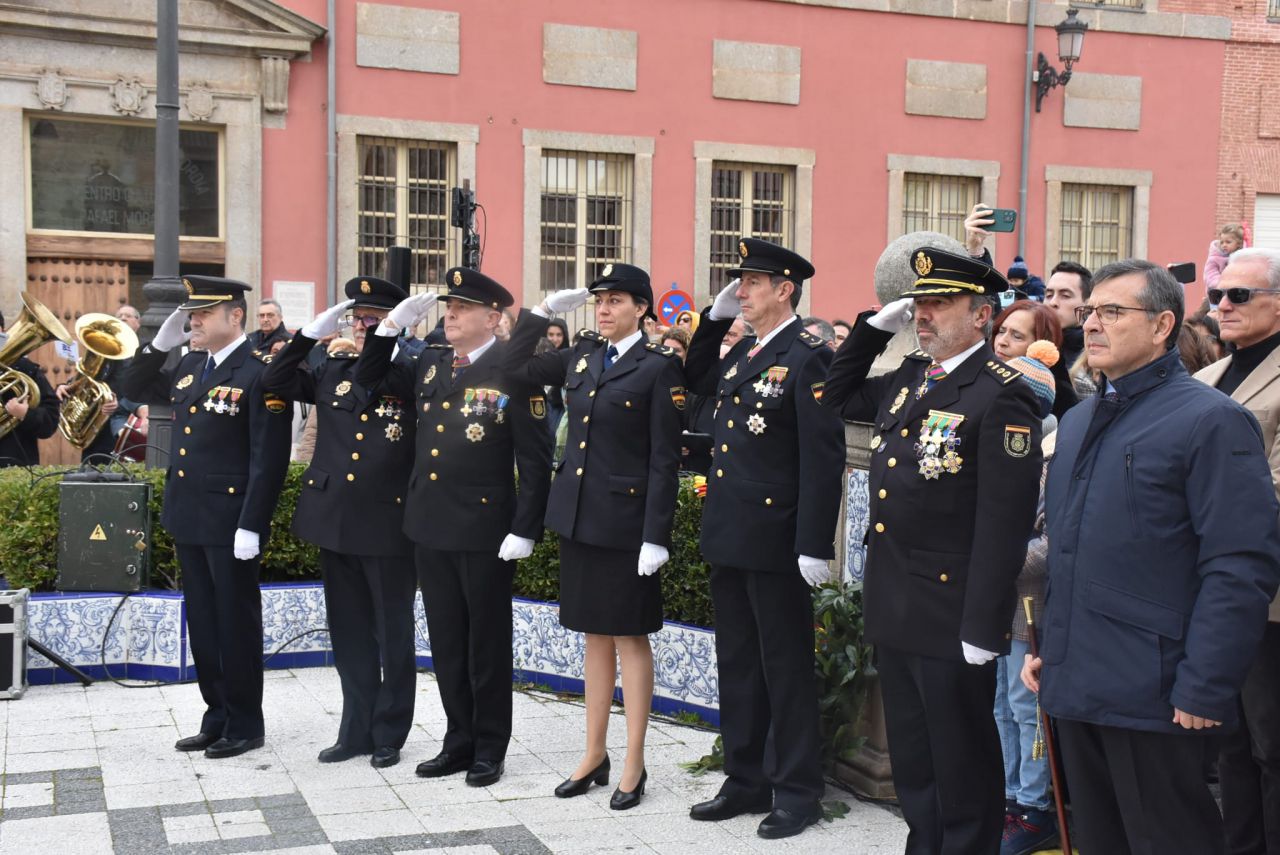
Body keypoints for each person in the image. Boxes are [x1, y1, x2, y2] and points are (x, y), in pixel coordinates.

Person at [1022, 259, 1280, 855]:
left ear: (1164, 324)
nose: (1091, 325)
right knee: (1099, 839)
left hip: (1157, 690)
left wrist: (1206, 684)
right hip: (1076, 678)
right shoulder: (1082, 417)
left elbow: (1240, 564)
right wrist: (1051, 650)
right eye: (1089, 312)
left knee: (1169, 840)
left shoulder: (1213, 421)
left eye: (1113, 312)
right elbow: (1072, 545)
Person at [823, 247, 1042, 854]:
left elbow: (1005, 522)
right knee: (916, 763)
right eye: (919, 304)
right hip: (897, 604)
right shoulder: (911, 376)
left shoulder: (1001, 394)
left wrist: (982, 623)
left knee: (961, 763)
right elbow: (833, 397)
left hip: (952, 615)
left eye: (939, 303)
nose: (923, 315)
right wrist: (871, 331)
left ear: (982, 315)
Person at [355, 267, 552, 787]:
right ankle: (457, 739)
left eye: (463, 307)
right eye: (450, 306)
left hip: (485, 529)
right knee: (445, 642)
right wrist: (388, 329)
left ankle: (489, 746)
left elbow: (535, 458)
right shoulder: (431, 364)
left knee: (485, 644)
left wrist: (525, 528)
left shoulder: (513, 371)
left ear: (493, 317)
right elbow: (368, 378)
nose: (452, 314)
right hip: (428, 523)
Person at [682, 238, 845, 840]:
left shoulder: (809, 354)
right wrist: (715, 317)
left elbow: (822, 457)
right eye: (739, 282)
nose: (742, 291)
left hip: (777, 541)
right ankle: (745, 779)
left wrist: (812, 544)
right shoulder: (748, 348)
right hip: (730, 532)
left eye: (751, 283)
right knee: (740, 665)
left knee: (785, 669)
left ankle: (798, 791)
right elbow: (696, 377)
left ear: (785, 289)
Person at [510, 264, 684, 810]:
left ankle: (633, 760)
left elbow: (664, 458)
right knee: (592, 637)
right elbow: (515, 369)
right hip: (581, 518)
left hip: (627, 527)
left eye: (615, 300)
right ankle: (593, 754)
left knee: (629, 638)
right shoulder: (582, 356)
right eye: (599, 300)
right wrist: (540, 315)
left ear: (640, 308)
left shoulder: (659, 368)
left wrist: (657, 534)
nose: (603, 309)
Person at [123, 276, 293, 759]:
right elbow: (132, 385)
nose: (192, 321)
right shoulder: (191, 365)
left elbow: (269, 457)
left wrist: (252, 523)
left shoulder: (260, 371)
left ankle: (245, 723)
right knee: (202, 621)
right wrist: (158, 342)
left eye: (202, 313)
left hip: (230, 519)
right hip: (190, 514)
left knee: (235, 623)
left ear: (234, 316)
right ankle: (215, 715)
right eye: (191, 314)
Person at [261, 276, 418, 769]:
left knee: (392, 634)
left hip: (388, 520)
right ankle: (355, 728)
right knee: (348, 630)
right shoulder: (336, 368)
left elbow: (379, 375)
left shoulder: (412, 370)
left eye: (373, 319)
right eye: (358, 318)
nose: (362, 326)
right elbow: (275, 382)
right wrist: (307, 335)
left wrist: (390, 335)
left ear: (397, 321)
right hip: (334, 517)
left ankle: (390, 730)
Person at [1194, 248, 1280, 855]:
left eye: (1238, 296)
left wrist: (1190, 513)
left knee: (1272, 743)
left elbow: (1271, 487)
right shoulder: (1204, 379)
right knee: (1227, 741)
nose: (1221, 304)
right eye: (1219, 294)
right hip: (1205, 589)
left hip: (1269, 593)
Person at [991, 340, 1061, 855]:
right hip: (992, 604)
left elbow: (1052, 542)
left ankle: (1035, 808)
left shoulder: (1052, 458)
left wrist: (992, 556)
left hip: (1028, 608)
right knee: (1000, 706)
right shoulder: (999, 449)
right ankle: (1010, 796)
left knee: (1025, 707)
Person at [990, 300, 1079, 420]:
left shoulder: (1060, 400)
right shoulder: (978, 374)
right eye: (1001, 331)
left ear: (1042, 344)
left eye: (1017, 336)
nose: (1002, 342)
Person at [0, 309, 58, 468]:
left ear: (3, 331)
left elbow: (50, 421)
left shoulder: (26, 370)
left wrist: (25, 414)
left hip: (15, 467)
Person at [1206, 223, 1247, 291]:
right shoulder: (1214, 258)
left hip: (1237, 292)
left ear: (1238, 243)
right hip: (1218, 293)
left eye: (1228, 242)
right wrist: (1222, 285)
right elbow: (1210, 274)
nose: (1224, 245)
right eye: (1222, 242)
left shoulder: (1243, 258)